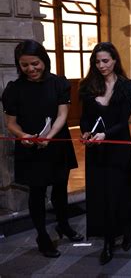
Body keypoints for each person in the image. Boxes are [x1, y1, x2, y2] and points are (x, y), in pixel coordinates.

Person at [2, 39, 82, 258]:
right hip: (30, 146)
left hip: (56, 142)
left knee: (59, 188)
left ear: (44, 60)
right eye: (25, 65)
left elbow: (63, 115)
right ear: (19, 65)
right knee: (36, 193)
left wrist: (49, 135)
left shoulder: (59, 83)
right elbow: (11, 123)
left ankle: (63, 224)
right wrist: (23, 136)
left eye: (35, 63)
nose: (31, 69)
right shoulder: (13, 89)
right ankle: (41, 235)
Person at [79, 42, 131, 265]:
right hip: (96, 149)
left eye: (105, 61)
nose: (101, 65)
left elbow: (123, 121)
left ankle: (127, 232)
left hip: (119, 146)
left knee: (121, 191)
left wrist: (105, 135)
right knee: (100, 193)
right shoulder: (88, 86)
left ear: (115, 60)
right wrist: (86, 132)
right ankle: (107, 241)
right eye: (97, 62)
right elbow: (85, 117)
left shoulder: (127, 87)